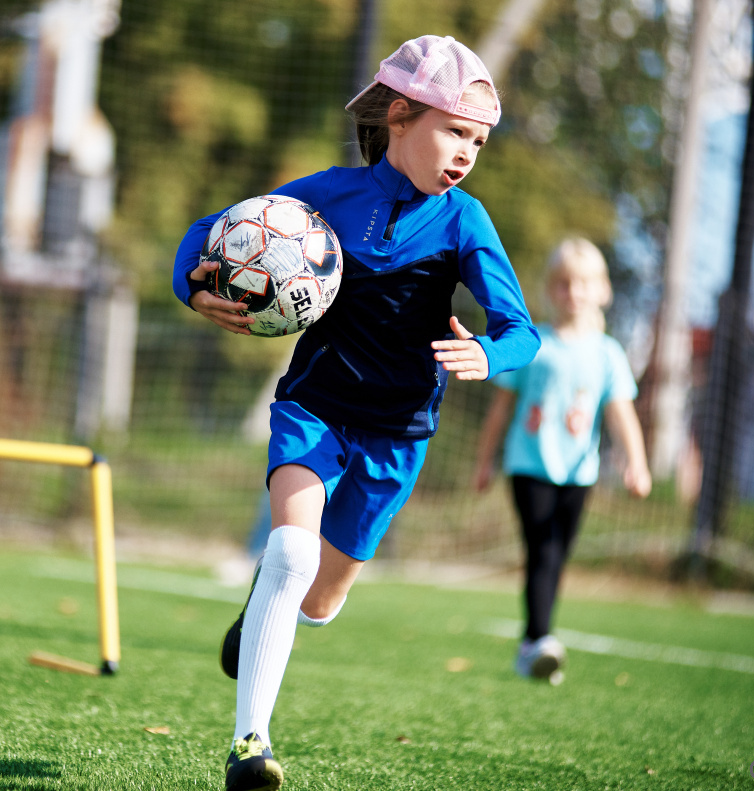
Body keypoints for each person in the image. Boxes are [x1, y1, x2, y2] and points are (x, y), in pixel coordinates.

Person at [172, 36, 540, 791]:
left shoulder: (465, 221)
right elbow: (211, 227)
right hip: (314, 407)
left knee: (320, 597)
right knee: (290, 554)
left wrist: (491, 357)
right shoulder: (327, 194)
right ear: (400, 116)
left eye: (477, 139)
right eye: (453, 131)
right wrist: (194, 284)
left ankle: (262, 616)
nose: (466, 152)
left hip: (398, 433)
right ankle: (250, 743)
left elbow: (520, 329)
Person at [473, 237, 651, 683]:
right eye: (564, 284)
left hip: (579, 473)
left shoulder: (608, 352)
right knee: (543, 550)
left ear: (603, 290)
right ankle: (539, 640)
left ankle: (531, 644)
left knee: (557, 553)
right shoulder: (532, 345)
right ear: (551, 290)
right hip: (528, 466)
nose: (574, 293)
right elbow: (501, 410)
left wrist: (637, 463)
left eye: (584, 284)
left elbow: (621, 413)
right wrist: (484, 462)